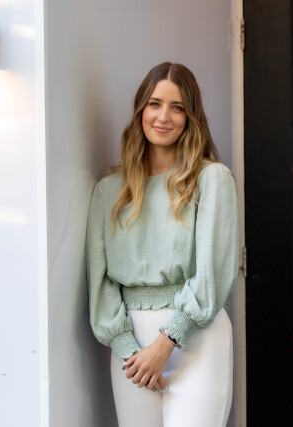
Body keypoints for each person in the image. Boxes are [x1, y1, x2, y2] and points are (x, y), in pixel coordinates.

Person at [86, 62, 239, 427]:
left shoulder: (212, 179)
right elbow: (100, 281)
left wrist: (167, 342)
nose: (163, 117)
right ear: (141, 109)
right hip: (131, 350)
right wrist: (130, 351)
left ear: (191, 118)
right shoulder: (109, 189)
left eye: (178, 107)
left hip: (197, 342)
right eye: (154, 104)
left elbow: (214, 273)